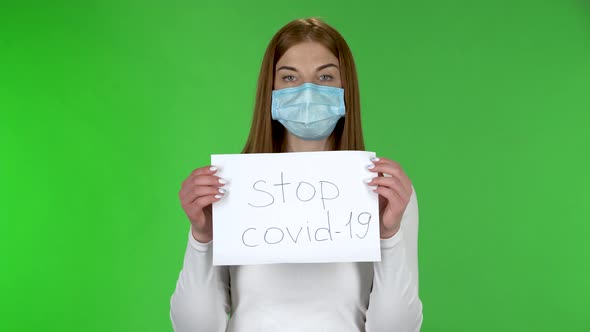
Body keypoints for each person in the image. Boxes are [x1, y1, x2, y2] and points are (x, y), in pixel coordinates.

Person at [170, 17, 423, 332]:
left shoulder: (385, 192)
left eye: (325, 76)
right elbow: (195, 329)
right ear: (271, 90)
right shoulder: (228, 188)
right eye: (290, 77)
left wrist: (389, 237)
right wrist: (202, 240)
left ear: (346, 90)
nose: (307, 92)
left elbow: (396, 329)